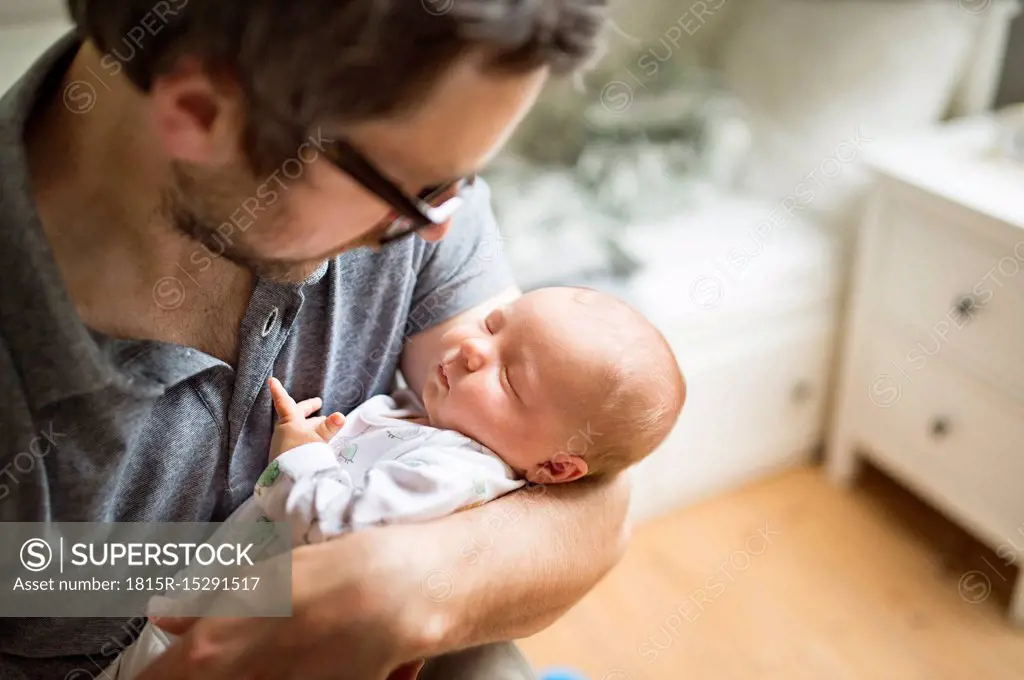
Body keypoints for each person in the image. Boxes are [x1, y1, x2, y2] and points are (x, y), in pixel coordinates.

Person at [0, 1, 637, 679]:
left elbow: (594, 493)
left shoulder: (378, 163)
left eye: (459, 182)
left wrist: (390, 590)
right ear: (200, 114)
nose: (440, 230)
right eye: (419, 191)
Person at [108, 286, 687, 679]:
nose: (469, 349)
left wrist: (300, 455)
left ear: (557, 468)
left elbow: (336, 529)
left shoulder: (458, 473)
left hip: (232, 632)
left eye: (509, 377)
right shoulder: (441, 416)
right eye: (492, 325)